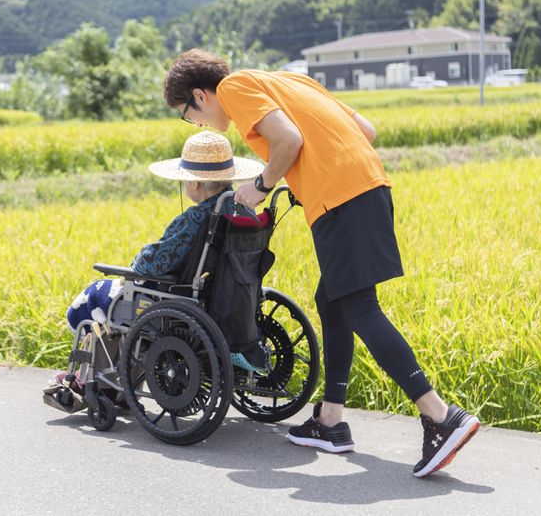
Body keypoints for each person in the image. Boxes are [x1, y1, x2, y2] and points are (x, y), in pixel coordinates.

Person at [163, 49, 480, 478]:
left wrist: (262, 185)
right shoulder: (291, 81)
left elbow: (288, 141)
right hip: (368, 186)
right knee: (331, 299)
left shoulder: (234, 88)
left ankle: (440, 417)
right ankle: (330, 422)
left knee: (358, 307)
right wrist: (309, 175)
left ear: (200, 95)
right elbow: (363, 129)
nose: (195, 122)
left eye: (187, 114)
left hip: (341, 200)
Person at [65, 130, 271, 372]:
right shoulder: (242, 211)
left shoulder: (197, 217)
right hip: (226, 296)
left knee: (95, 295)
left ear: (194, 183)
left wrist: (135, 265)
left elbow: (152, 263)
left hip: (177, 298)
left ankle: (92, 378)